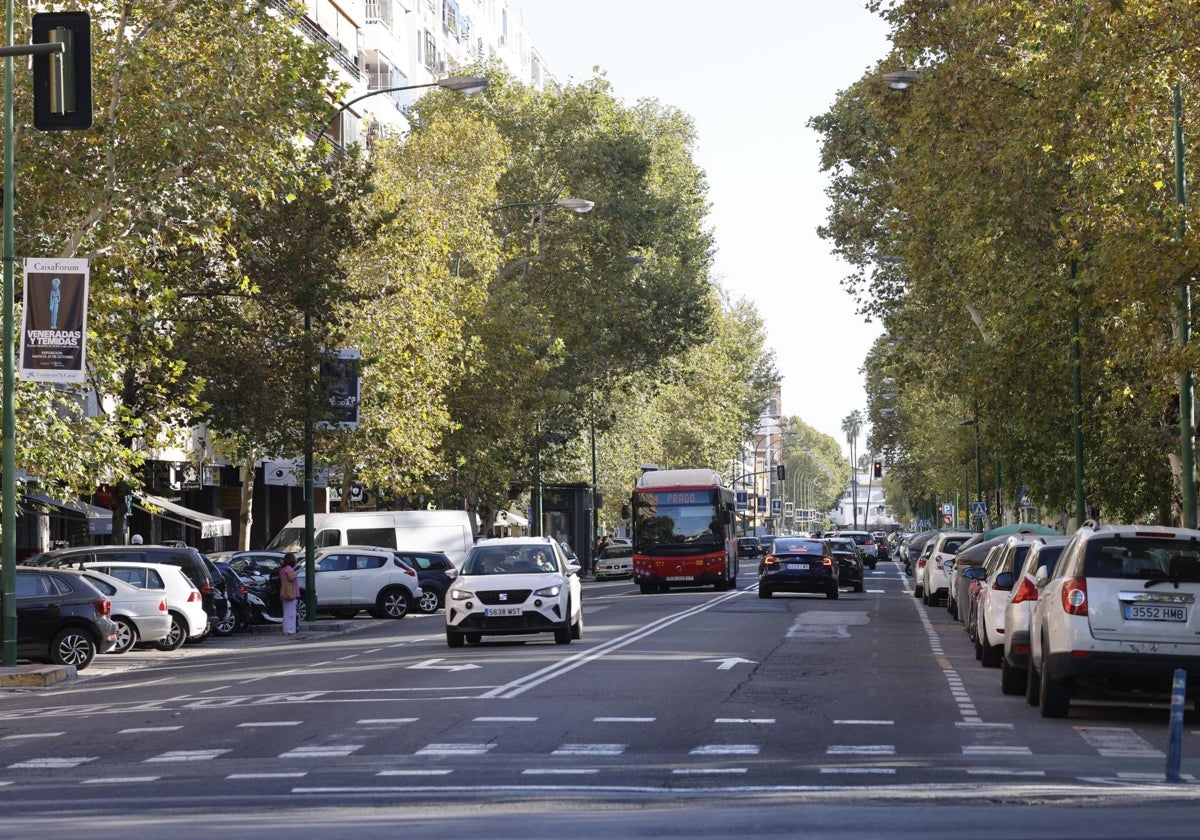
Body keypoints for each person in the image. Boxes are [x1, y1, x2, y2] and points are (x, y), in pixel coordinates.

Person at [279, 553, 299, 635]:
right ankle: (289, 630)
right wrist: (296, 573)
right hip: (290, 593)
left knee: (286, 612)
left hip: (284, 592)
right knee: (291, 613)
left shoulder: (283, 569)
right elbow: (291, 578)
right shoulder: (289, 568)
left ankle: (286, 629)